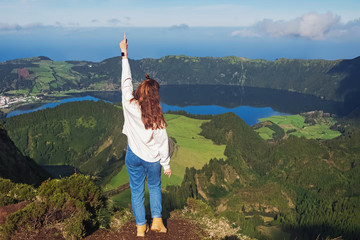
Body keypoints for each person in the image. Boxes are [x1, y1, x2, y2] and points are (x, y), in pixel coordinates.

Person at [119, 33, 172, 237]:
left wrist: (124, 54)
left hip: (133, 156)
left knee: (136, 192)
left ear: (140, 90)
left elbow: (126, 82)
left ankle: (141, 227)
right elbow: (162, 142)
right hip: (152, 160)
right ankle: (158, 222)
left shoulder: (130, 105)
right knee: (156, 188)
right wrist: (166, 164)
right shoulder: (157, 118)